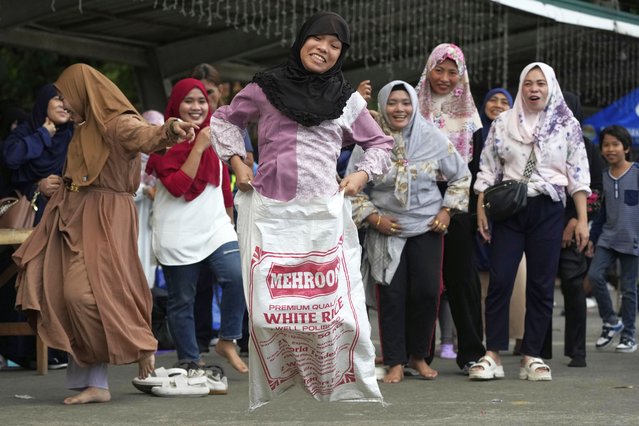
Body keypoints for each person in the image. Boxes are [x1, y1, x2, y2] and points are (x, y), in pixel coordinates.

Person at [210, 12, 391, 408]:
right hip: (272, 214)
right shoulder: (265, 86)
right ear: (301, 39)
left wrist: (360, 176)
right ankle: (284, 377)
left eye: (335, 45)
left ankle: (331, 383)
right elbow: (223, 121)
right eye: (318, 39)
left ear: (342, 54)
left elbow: (381, 145)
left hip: (323, 217)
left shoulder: (347, 98)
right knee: (266, 315)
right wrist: (239, 164)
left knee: (333, 313)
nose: (323, 49)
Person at [12, 63, 197, 404]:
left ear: (84, 91)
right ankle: (94, 382)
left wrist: (171, 128)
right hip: (74, 215)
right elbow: (82, 173)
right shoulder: (83, 128)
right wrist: (54, 183)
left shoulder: (117, 124)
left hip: (106, 217)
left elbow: (148, 135)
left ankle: (140, 344)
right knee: (59, 288)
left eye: (66, 93)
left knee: (91, 292)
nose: (64, 101)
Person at [472, 62, 590, 381]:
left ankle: (532, 355)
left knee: (540, 284)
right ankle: (493, 354)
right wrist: (482, 208)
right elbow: (487, 169)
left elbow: (577, 174)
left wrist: (581, 220)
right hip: (509, 208)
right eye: (528, 83)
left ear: (550, 86)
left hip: (549, 208)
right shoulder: (502, 123)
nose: (534, 89)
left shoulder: (567, 124)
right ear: (520, 87)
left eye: (540, 83)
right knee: (500, 280)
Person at [351, 80, 470, 383]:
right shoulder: (371, 141)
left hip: (426, 226)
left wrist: (447, 210)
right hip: (386, 228)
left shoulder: (433, 137)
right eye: (392, 102)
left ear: (415, 105)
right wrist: (373, 218)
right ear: (382, 105)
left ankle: (418, 356)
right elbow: (351, 186)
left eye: (406, 102)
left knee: (427, 291)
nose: (399, 109)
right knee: (392, 295)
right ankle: (394, 360)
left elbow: (461, 176)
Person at [146, 78, 247, 374]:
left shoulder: (215, 135)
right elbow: (178, 186)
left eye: (201, 100)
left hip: (216, 227)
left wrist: (229, 218)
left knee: (236, 276)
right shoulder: (161, 143)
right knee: (182, 300)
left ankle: (227, 339)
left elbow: (223, 183)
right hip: (178, 231)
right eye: (188, 101)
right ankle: (189, 360)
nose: (196, 107)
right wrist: (199, 146)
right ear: (176, 105)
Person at [415, 43, 485, 372]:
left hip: (458, 200)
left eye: (451, 72)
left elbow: (479, 167)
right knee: (422, 279)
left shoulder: (472, 119)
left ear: (462, 75)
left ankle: (471, 350)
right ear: (428, 69)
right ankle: (419, 353)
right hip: (417, 198)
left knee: (462, 277)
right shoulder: (411, 108)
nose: (444, 78)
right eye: (438, 70)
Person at [0, 84, 73, 369]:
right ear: (43, 102)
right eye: (58, 98)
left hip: (68, 216)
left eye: (69, 99)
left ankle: (57, 350)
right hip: (31, 218)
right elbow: (12, 159)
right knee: (22, 282)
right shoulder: (26, 133)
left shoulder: (74, 136)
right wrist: (43, 136)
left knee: (63, 282)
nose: (65, 104)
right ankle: (24, 352)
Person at [473, 88, 527, 356]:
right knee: (480, 280)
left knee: (517, 278)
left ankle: (520, 337)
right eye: (492, 99)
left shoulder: (518, 132)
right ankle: (477, 339)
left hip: (511, 213)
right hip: (479, 211)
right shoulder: (475, 133)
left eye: (504, 101)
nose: (497, 105)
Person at [556, 91, 604, 367]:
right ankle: (535, 346)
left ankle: (577, 351)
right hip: (544, 223)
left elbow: (596, 190)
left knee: (573, 285)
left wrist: (576, 220)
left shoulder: (587, 147)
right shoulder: (541, 143)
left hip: (575, 227)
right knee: (538, 285)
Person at [587, 125, 638, 354]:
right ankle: (610, 321)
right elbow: (600, 213)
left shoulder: (636, 173)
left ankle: (628, 336)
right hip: (607, 239)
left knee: (628, 290)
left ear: (626, 148)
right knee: (594, 275)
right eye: (606, 145)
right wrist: (592, 238)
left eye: (615, 144)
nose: (610, 149)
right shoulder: (602, 178)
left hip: (633, 240)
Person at [136, 110, 163, 287]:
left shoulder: (164, 157)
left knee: (147, 271)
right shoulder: (130, 155)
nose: (157, 134)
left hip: (151, 221)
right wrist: (145, 190)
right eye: (152, 128)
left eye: (161, 129)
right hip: (133, 217)